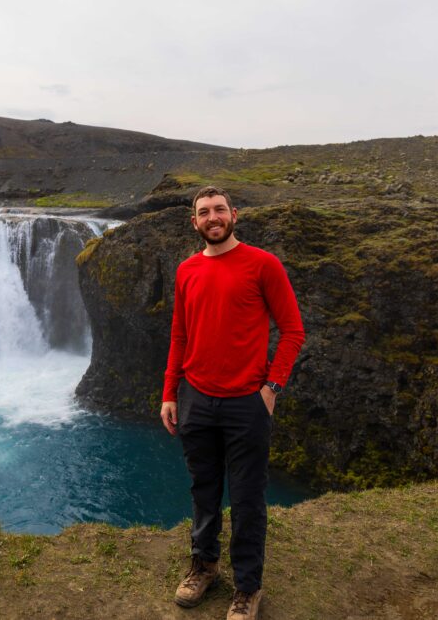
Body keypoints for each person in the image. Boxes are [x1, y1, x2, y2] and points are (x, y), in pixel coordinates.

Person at [160, 186, 305, 620]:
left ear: (234, 215)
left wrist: (271, 389)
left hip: (247, 403)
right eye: (204, 212)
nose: (213, 218)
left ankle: (247, 588)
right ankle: (203, 566)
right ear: (195, 222)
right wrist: (170, 391)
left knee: (246, 499)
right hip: (196, 399)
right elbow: (179, 335)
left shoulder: (263, 264)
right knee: (204, 491)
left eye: (219, 210)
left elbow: (293, 331)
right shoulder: (186, 270)